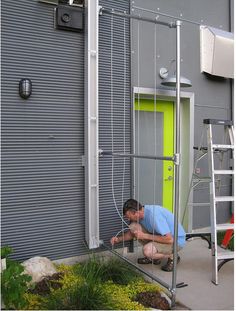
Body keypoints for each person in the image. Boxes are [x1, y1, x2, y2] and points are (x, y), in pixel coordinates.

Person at [110, 198, 186, 272]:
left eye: (129, 217)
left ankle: (172, 256)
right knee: (133, 227)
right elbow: (131, 233)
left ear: (136, 213)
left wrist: (144, 236)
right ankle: (155, 257)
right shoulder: (142, 213)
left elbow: (169, 239)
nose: (129, 219)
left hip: (175, 241)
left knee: (147, 251)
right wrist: (118, 239)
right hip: (161, 236)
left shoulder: (154, 216)